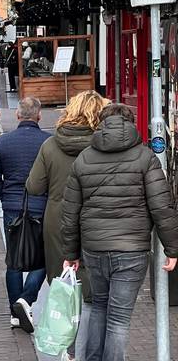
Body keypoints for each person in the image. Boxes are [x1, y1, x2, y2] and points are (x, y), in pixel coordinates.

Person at [62, 104, 178, 361]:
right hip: (131, 249)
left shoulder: (84, 158)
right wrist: (172, 248)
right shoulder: (145, 157)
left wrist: (70, 252)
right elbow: (161, 206)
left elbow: (70, 211)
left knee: (100, 308)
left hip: (94, 248)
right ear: (131, 123)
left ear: (100, 124)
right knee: (119, 319)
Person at [26, 90, 109, 358]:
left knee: (64, 285)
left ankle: (69, 349)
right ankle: (88, 349)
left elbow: (34, 186)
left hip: (58, 220)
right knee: (93, 292)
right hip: (94, 219)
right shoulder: (102, 146)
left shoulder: (50, 145)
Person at [0, 97, 49, 331]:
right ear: (39, 116)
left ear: (18, 115)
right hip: (42, 207)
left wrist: (5, 196)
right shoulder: (48, 143)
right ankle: (27, 298)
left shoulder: (3, 142)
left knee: (14, 258)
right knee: (42, 257)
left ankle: (15, 311)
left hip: (13, 207)